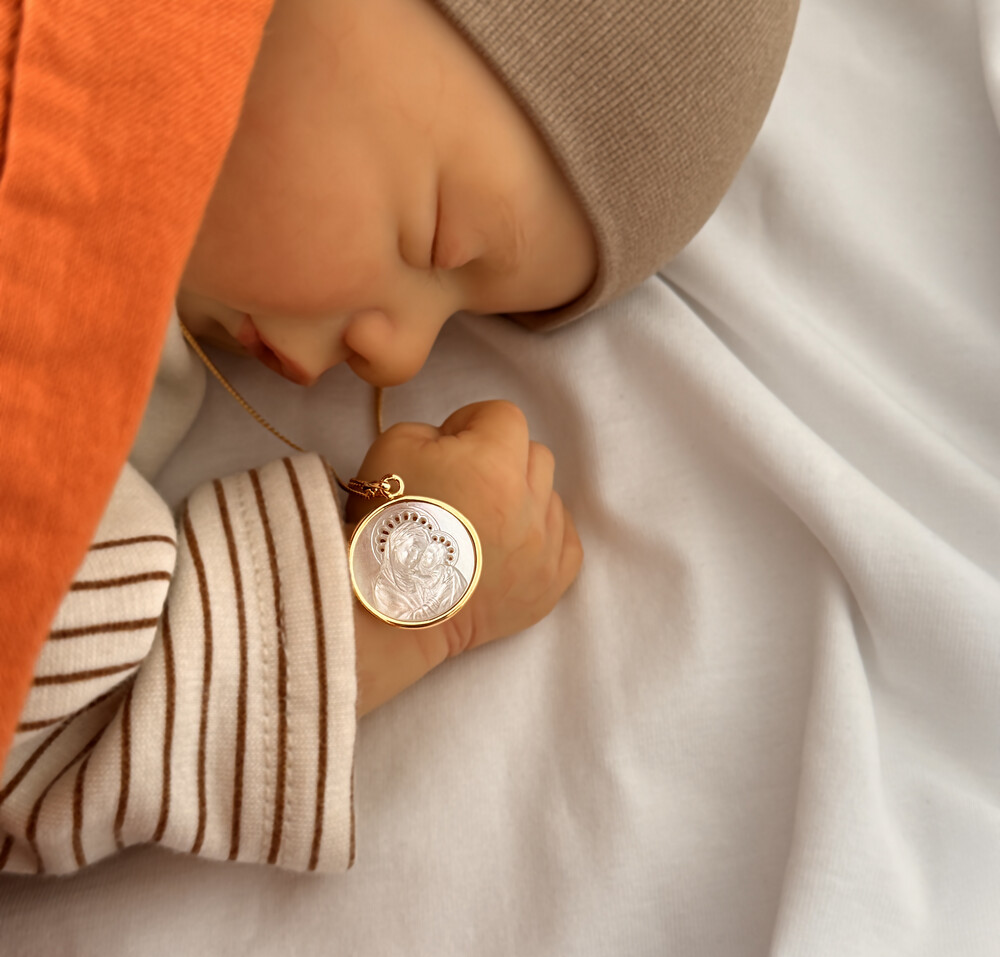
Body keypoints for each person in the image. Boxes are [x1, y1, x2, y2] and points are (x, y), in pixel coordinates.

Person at [0, 0, 798, 874]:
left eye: (456, 325)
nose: (399, 358)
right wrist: (391, 614)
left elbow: (38, 696)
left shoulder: (119, 362)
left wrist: (365, 604)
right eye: (435, 243)